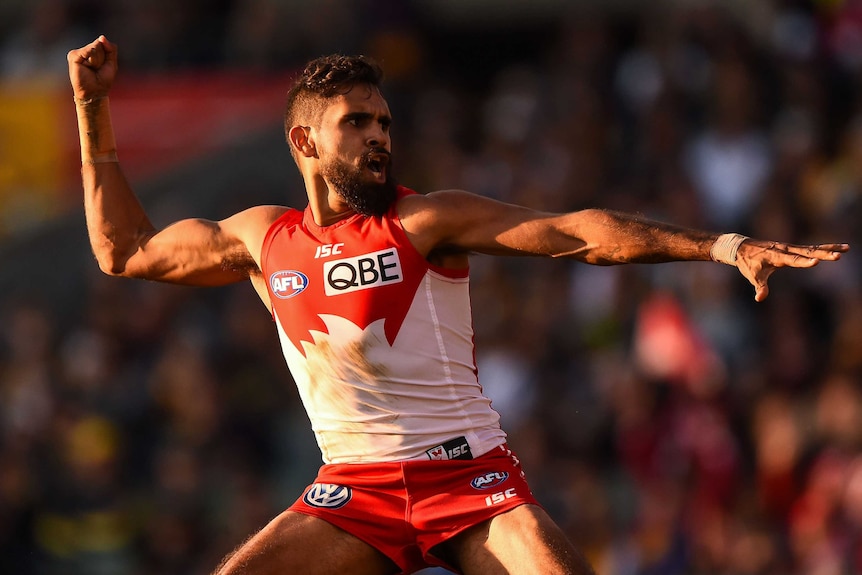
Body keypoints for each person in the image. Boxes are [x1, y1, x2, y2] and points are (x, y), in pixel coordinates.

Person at [67, 35, 848, 575]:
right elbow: (122, 250)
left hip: (468, 481)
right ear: (305, 143)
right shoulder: (261, 239)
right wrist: (90, 108)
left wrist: (719, 245)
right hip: (356, 491)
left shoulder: (424, 219)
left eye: (385, 121)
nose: (380, 136)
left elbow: (575, 234)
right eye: (358, 122)